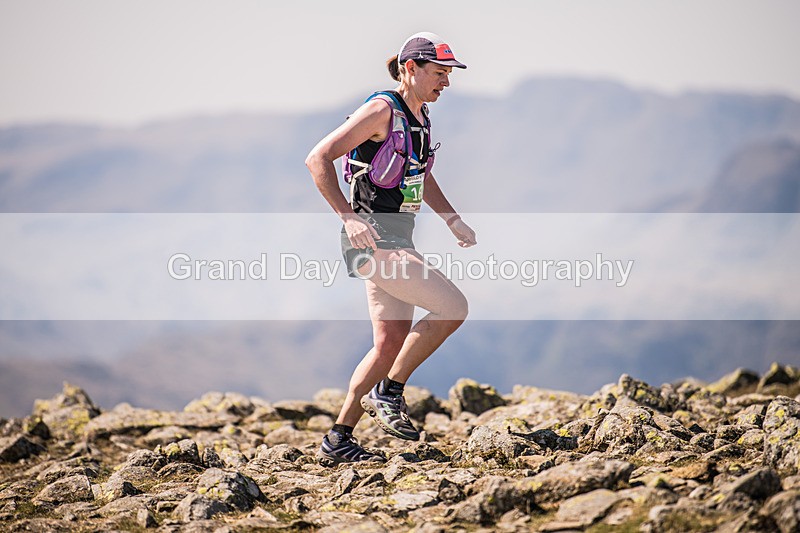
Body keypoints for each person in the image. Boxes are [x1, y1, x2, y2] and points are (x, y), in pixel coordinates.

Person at [305, 32, 476, 465]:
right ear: (410, 68)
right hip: (374, 239)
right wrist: (348, 217)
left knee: (388, 343)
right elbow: (317, 159)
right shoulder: (382, 110)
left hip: (397, 237)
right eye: (439, 73)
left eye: (449, 74)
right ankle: (390, 391)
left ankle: (338, 438)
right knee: (453, 307)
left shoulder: (419, 117)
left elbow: (420, 174)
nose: (446, 83)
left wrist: (451, 219)